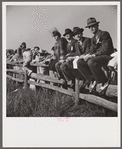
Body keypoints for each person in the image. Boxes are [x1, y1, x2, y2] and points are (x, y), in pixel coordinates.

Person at [77, 17, 114, 93]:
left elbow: (106, 50)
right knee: (80, 62)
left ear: (97, 25)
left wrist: (93, 55)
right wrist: (86, 55)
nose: (91, 28)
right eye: (89, 27)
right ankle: (93, 79)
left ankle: (104, 81)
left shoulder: (104, 34)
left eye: (93, 26)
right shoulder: (93, 38)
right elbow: (91, 50)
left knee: (91, 61)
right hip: (98, 57)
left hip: (107, 56)